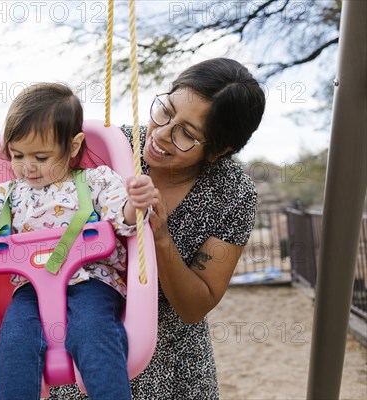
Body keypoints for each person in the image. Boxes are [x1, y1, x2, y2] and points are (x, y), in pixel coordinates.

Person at [0, 82, 156, 400]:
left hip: (92, 282)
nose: (27, 166)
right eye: (17, 155)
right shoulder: (11, 193)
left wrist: (135, 203)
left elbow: (121, 215)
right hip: (30, 291)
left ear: (72, 147)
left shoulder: (96, 180)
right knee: (13, 344)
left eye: (41, 157)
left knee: (94, 334)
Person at [49, 58, 266, 399]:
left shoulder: (232, 192)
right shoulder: (111, 148)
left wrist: (160, 237)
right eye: (165, 110)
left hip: (171, 369)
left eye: (186, 134)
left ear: (219, 150)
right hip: (83, 356)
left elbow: (195, 306)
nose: (162, 134)